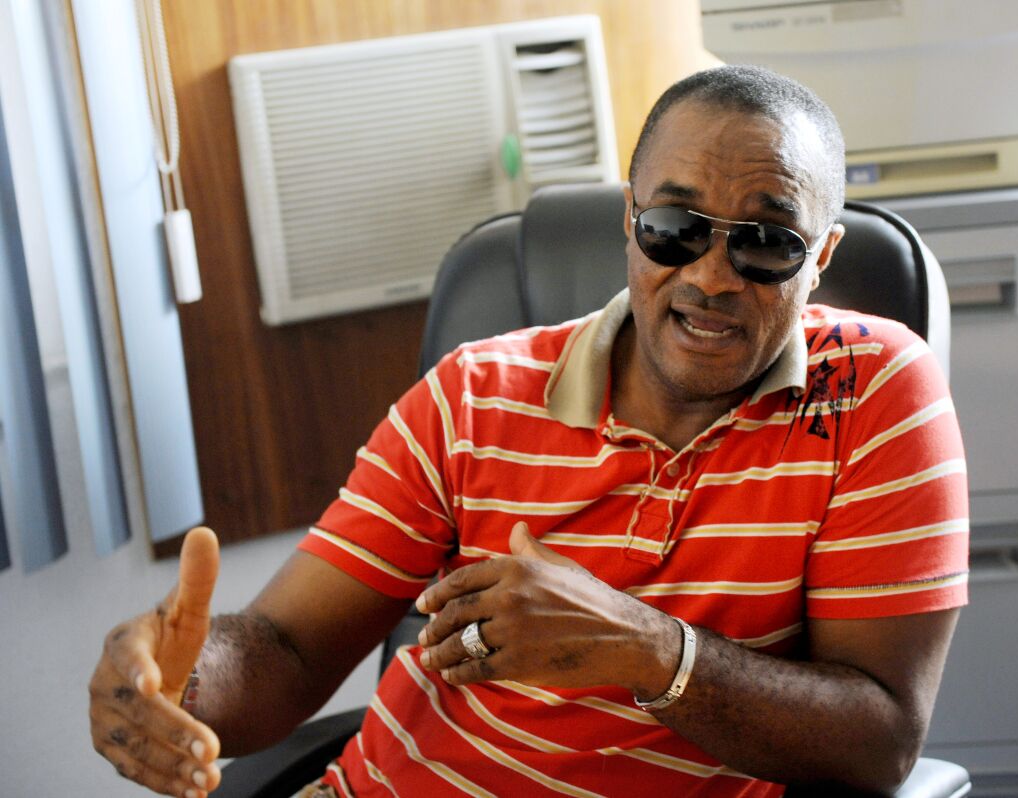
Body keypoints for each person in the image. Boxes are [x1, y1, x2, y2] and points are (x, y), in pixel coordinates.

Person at [89, 65, 968, 797]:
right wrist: (181, 679)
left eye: (766, 244)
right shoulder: (475, 394)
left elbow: (880, 740)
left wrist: (648, 650)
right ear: (630, 222)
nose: (712, 276)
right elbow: (286, 650)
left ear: (822, 256)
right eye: (674, 229)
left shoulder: (871, 391)